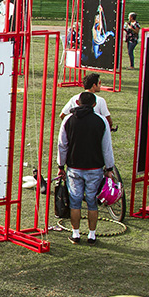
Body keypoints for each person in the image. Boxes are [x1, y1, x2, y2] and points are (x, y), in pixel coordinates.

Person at [57, 91, 115, 245]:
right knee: (92, 202)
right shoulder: (101, 121)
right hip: (95, 168)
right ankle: (92, 235)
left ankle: (75, 234)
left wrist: (60, 165)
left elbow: (62, 145)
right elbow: (107, 148)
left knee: (75, 202)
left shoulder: (68, 120)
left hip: (74, 167)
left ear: (77, 102)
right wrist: (109, 168)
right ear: (94, 105)